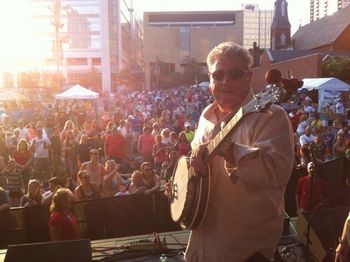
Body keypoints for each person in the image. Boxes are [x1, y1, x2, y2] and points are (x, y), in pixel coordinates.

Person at [181, 42, 294, 261]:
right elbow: (197, 156)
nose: (225, 81)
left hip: (245, 250)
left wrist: (231, 151)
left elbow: (277, 172)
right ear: (211, 78)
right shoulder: (206, 115)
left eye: (234, 74)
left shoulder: (270, 116)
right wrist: (188, 173)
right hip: (202, 244)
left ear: (249, 77)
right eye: (218, 74)